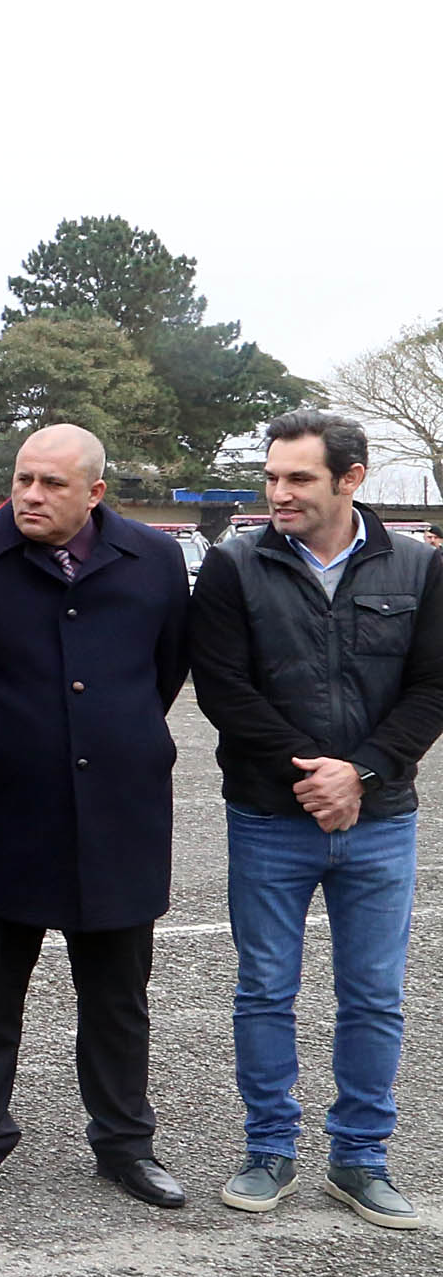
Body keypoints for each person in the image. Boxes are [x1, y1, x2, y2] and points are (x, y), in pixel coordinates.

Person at [0, 424, 190, 1209]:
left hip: (121, 816)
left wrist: (119, 739)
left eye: (52, 485)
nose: (31, 496)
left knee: (117, 996)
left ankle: (126, 1144)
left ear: (95, 492)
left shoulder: (155, 562)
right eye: (23, 479)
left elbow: (164, 672)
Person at [191, 410, 443, 1231]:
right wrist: (315, 773)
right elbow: (225, 691)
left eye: (297, 478)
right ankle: (269, 1150)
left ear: (351, 479)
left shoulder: (417, 568)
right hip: (271, 817)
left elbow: (433, 688)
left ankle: (360, 1160)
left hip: (380, 819)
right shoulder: (235, 566)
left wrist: (361, 773)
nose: (278, 493)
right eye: (272, 477)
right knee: (265, 989)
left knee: (375, 995)